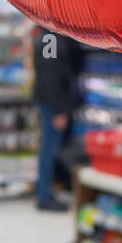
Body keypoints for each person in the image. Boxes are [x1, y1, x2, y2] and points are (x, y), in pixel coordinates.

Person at [30, 25, 84, 211]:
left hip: (48, 102)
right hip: (51, 104)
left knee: (49, 148)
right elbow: (50, 75)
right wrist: (58, 109)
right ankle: (44, 196)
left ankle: (45, 191)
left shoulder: (47, 36)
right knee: (49, 149)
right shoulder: (49, 39)